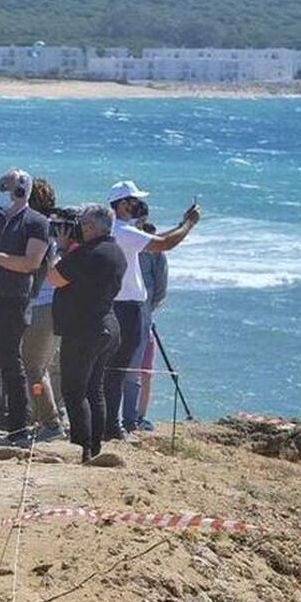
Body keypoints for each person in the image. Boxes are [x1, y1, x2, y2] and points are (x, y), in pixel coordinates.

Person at [104, 180, 201, 438]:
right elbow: (164, 243)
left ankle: (110, 422)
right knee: (121, 368)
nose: (138, 205)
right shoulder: (124, 231)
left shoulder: (113, 229)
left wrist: (180, 225)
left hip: (114, 305)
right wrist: (188, 224)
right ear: (123, 204)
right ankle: (113, 426)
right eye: (134, 201)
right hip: (128, 308)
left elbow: (157, 239)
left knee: (113, 367)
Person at [0, 168, 51, 445]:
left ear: (20, 191)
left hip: (14, 301)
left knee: (10, 362)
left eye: (3, 186)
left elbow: (30, 262)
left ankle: (18, 426)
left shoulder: (36, 222)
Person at [49, 204, 127, 463]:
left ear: (91, 227)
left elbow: (55, 277)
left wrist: (60, 248)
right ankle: (95, 447)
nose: (79, 230)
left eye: (82, 225)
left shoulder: (87, 253)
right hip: (108, 325)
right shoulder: (117, 252)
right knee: (95, 389)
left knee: (74, 391)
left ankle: (80, 448)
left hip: (84, 329)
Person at [23, 177, 65, 441]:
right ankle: (51, 414)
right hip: (57, 303)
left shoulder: (37, 228)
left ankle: (50, 422)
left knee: (34, 368)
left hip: (40, 304)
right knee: (49, 366)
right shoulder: (56, 228)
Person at [131, 221, 171, 429]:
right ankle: (135, 416)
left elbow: (160, 291)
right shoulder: (136, 248)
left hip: (141, 317)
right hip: (139, 317)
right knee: (141, 371)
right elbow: (160, 290)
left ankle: (137, 416)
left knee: (142, 371)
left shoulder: (154, 255)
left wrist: (148, 309)